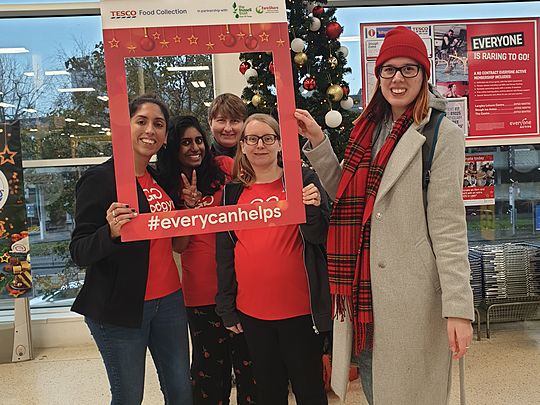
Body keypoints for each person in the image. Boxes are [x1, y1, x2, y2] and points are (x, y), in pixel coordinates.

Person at [295, 26, 474, 405]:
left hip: (413, 296)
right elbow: (343, 193)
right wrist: (317, 141)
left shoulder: (442, 134)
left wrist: (459, 309)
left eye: (409, 69)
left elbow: (449, 227)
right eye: (389, 69)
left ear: (424, 75)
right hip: (365, 295)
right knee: (380, 389)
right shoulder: (367, 128)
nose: (398, 78)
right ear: (378, 76)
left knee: (411, 393)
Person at [70, 95, 192, 405]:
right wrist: (110, 231)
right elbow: (79, 251)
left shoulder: (163, 180)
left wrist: (187, 215)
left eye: (159, 124)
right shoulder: (100, 179)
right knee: (128, 397)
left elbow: (178, 244)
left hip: (169, 301)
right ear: (125, 127)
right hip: (119, 308)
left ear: (165, 138)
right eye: (142, 121)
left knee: (180, 391)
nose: (150, 130)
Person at [215, 113, 331, 405]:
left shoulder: (303, 180)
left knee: (310, 389)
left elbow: (319, 237)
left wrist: (312, 209)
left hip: (300, 312)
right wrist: (226, 306)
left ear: (280, 144)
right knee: (269, 390)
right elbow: (225, 252)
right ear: (242, 146)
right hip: (253, 314)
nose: (260, 145)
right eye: (252, 139)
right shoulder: (231, 193)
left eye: (268, 138)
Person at [156, 116, 257, 405]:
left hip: (240, 284)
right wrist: (186, 208)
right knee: (211, 373)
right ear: (174, 147)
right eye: (186, 142)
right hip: (200, 292)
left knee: (250, 368)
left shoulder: (224, 169)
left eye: (198, 140)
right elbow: (179, 246)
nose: (194, 147)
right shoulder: (166, 185)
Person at [208, 93, 248, 158]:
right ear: (210, 123)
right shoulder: (200, 162)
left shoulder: (255, 161)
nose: (228, 129)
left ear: (244, 123)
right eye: (221, 120)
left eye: (235, 121)